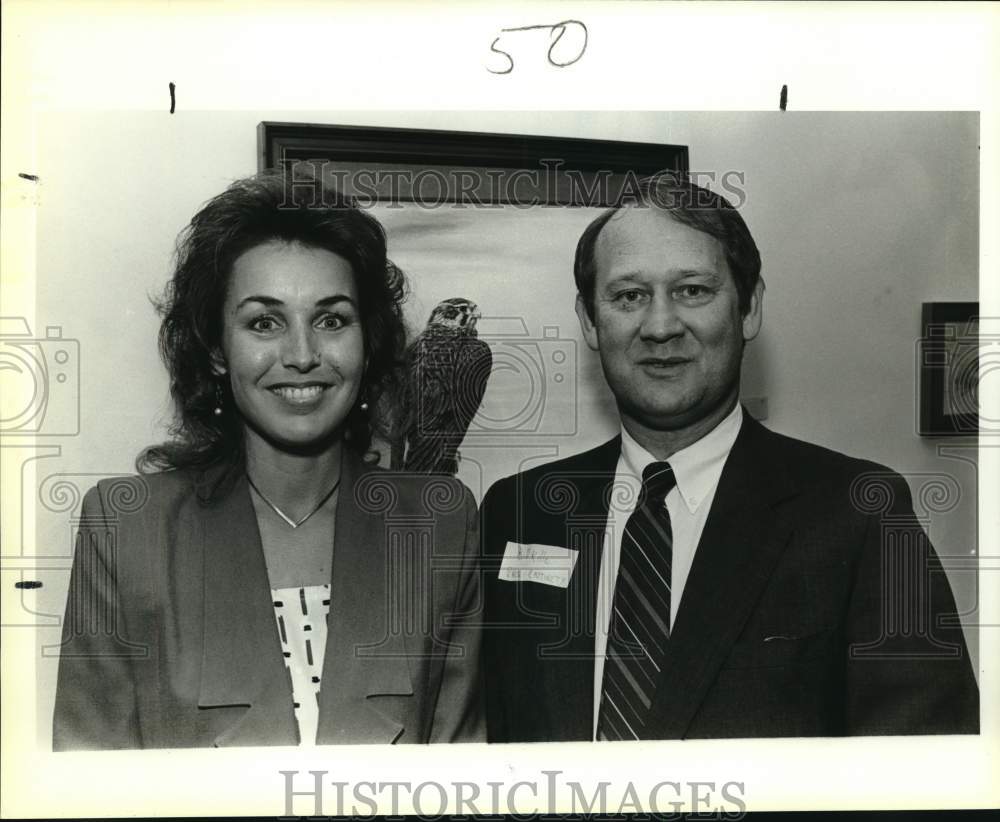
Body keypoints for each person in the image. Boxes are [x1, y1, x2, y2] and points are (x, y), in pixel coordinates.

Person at [480, 173, 979, 741]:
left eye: (692, 290)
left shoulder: (859, 513)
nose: (661, 326)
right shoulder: (518, 512)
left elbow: (925, 764)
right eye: (629, 296)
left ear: (749, 309)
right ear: (591, 321)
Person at [53, 171, 483, 749]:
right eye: (264, 322)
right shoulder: (128, 526)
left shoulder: (440, 523)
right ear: (215, 350)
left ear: (367, 340)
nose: (302, 355)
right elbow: (88, 785)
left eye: (331, 320)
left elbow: (461, 776)